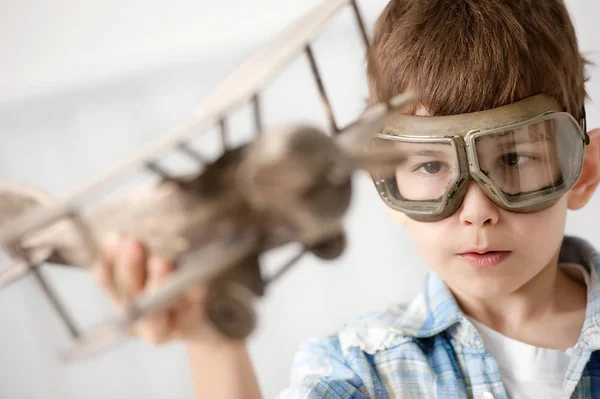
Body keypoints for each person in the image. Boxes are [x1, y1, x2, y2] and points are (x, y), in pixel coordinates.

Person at [93, 0, 600, 397]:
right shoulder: (358, 368)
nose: (476, 211)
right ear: (384, 183)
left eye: (513, 160)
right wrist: (212, 343)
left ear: (583, 171)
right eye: (430, 166)